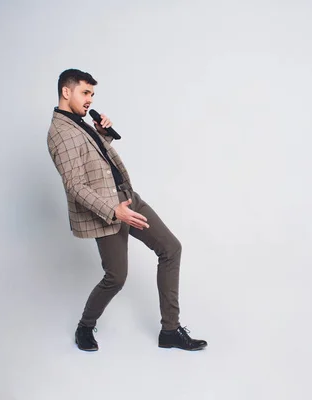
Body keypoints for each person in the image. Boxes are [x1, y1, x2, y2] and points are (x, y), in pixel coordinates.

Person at [46, 68, 207, 352]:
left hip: (128, 198)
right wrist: (113, 211)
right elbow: (75, 185)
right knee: (116, 277)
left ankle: (170, 330)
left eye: (92, 95)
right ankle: (85, 326)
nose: (89, 100)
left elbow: (93, 163)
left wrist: (102, 136)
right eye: (85, 93)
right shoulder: (60, 132)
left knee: (171, 248)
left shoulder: (79, 123)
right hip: (108, 210)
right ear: (66, 91)